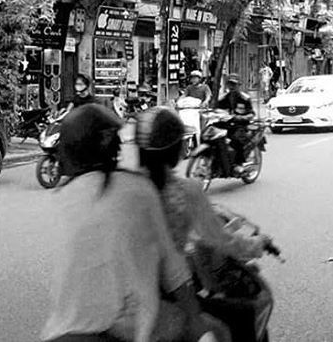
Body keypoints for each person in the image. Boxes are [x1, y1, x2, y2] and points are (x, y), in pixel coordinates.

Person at [40, 104, 214, 342]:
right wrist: (198, 323)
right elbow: (173, 269)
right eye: (115, 141)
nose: (119, 146)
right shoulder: (136, 189)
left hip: (59, 332)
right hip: (127, 328)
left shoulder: (61, 199)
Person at [136, 108, 269, 312]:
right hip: (167, 295)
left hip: (127, 291)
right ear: (176, 148)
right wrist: (256, 245)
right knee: (231, 322)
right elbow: (220, 239)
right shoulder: (186, 190)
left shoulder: (126, 186)